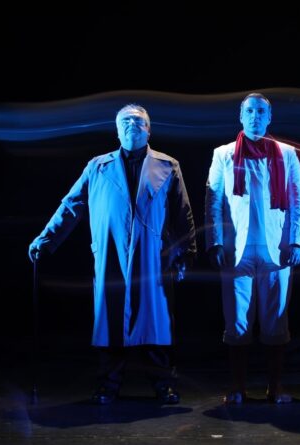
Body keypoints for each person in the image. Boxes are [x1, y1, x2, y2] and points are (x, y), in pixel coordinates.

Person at [28, 104, 196, 405]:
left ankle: (163, 384)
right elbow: (71, 205)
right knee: (111, 321)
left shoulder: (168, 165)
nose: (132, 125)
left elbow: (182, 212)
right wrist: (47, 238)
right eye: (126, 121)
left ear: (149, 130)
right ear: (117, 130)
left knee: (155, 324)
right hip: (112, 254)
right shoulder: (97, 167)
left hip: (151, 257)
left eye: (139, 121)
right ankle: (108, 384)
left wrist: (186, 251)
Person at [205, 93, 300, 404]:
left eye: (261, 112)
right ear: (241, 116)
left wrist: (297, 240)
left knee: (276, 320)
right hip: (236, 250)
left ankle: (275, 387)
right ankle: (238, 387)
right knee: (237, 321)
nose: (255, 117)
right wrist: (215, 242)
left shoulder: (287, 153)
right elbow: (213, 201)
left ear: (269, 118)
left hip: (277, 250)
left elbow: (298, 200)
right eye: (249, 111)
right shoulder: (223, 154)